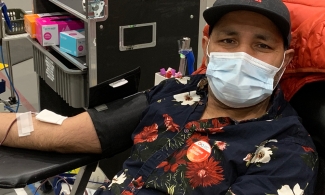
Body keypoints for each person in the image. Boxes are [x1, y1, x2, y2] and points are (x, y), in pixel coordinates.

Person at [0, 0, 318, 194]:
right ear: (209, 44)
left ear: (285, 60)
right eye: (229, 40)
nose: (242, 56)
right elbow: (66, 131)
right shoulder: (176, 91)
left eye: (262, 45)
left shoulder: (287, 154)